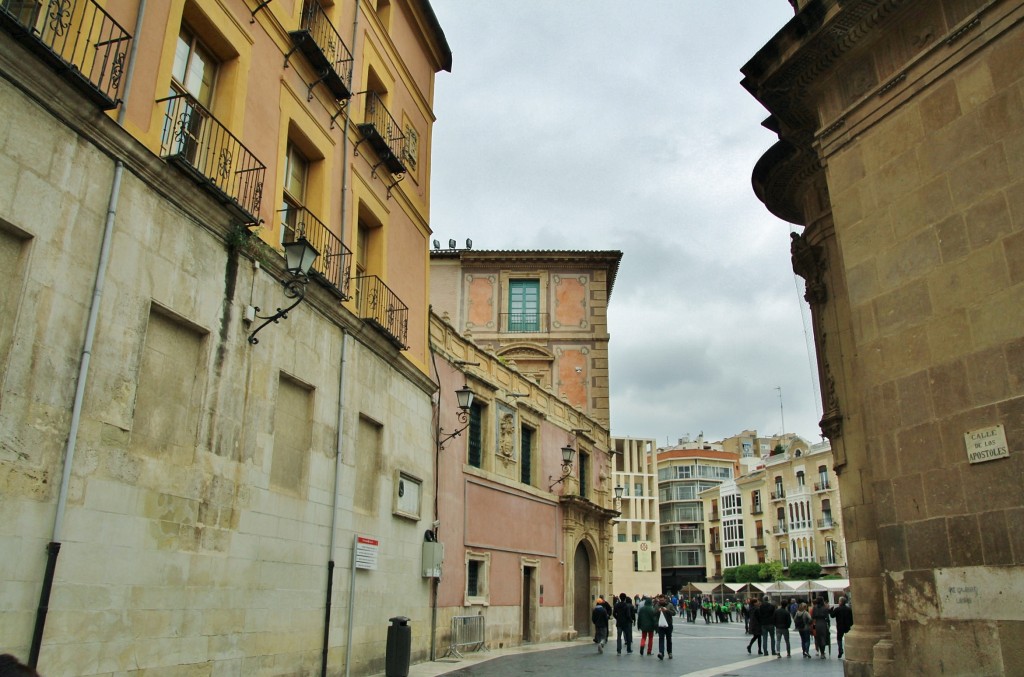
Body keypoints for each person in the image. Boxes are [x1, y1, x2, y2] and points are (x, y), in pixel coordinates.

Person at [656, 595, 676, 660]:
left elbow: (674, 613)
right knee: (661, 639)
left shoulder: (669, 605)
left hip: (668, 625)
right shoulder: (657, 605)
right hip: (660, 625)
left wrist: (667, 610)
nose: (661, 601)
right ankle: (661, 653)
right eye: (660, 600)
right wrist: (657, 611)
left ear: (665, 599)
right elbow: (653, 613)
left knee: (669, 639)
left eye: (662, 600)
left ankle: (669, 652)